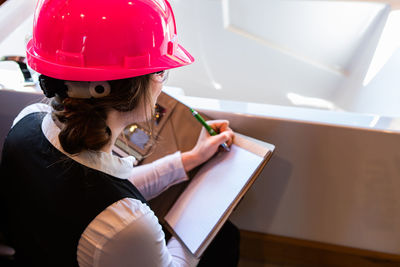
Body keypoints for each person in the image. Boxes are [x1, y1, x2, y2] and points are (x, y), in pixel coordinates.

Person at [0, 0, 239, 266]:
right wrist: (202, 219)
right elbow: (111, 207)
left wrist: (190, 159)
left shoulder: (28, 120)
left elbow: (103, 187)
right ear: (131, 88)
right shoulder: (127, 227)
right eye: (160, 71)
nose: (162, 83)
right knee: (225, 240)